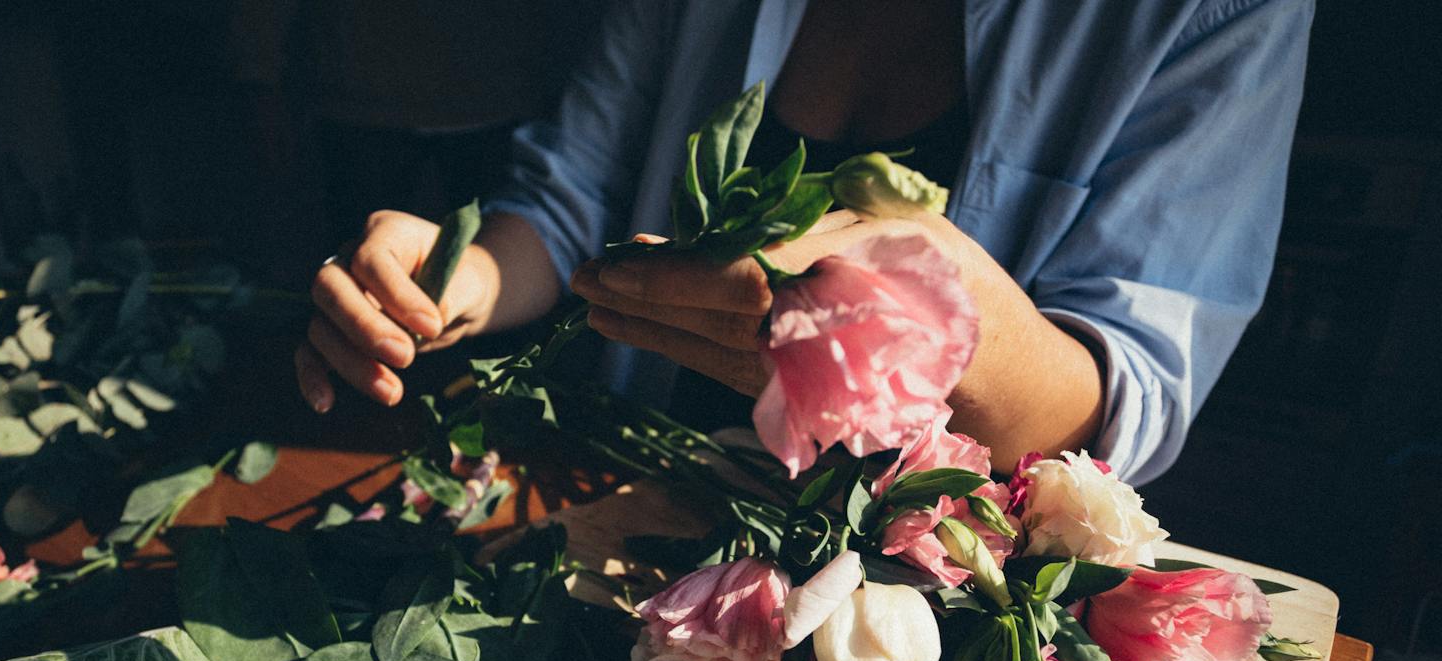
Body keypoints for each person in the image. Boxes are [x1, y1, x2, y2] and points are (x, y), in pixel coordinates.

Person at [295, 0, 1313, 485]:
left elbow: (1124, 388)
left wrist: (939, 316)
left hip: (915, 605)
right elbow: (574, 196)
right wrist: (451, 276)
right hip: (627, 504)